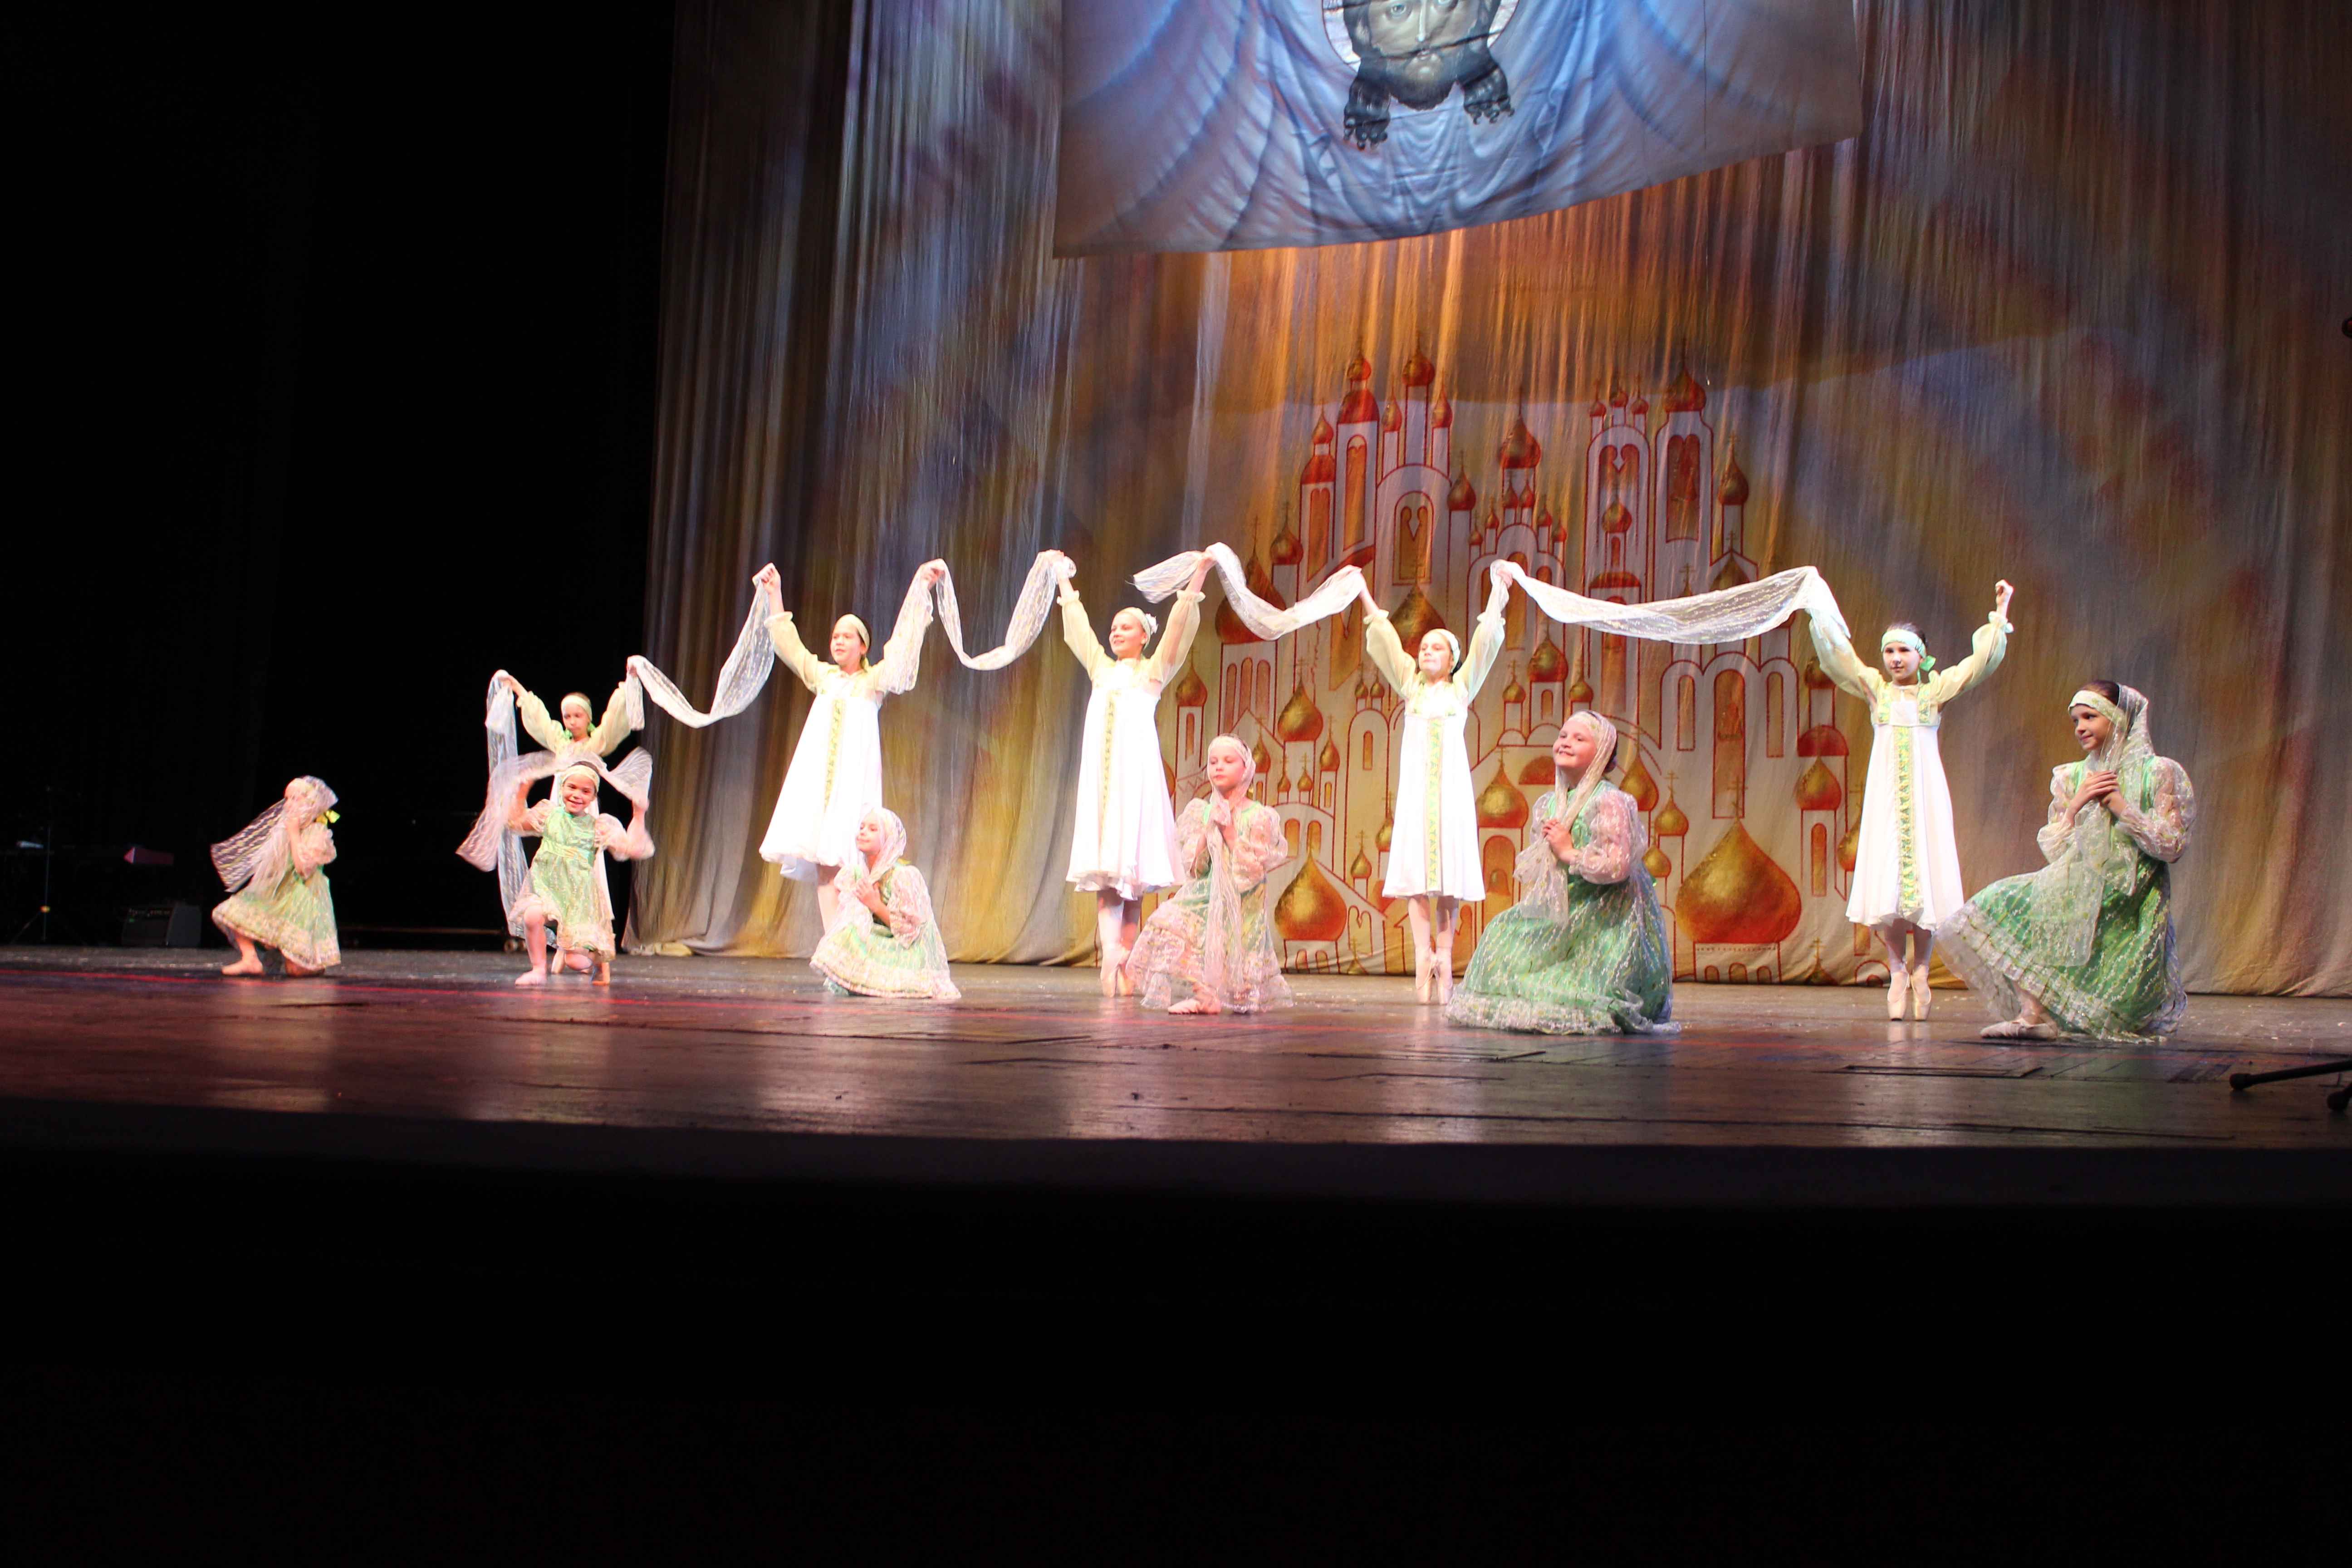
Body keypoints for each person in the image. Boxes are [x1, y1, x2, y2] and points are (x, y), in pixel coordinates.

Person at [1940, 683, 2193, 1041]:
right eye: (2076, 720)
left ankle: (2043, 1015)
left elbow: (2172, 845)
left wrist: (2122, 807)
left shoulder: (2159, 772)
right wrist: (2077, 805)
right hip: (2078, 880)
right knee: (2001, 900)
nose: (2080, 728)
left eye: (2090, 717)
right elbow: (2056, 849)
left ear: (2118, 719)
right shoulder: (2072, 776)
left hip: (2133, 893)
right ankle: (2033, 1014)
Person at [1810, 580, 2015, 1019]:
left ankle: (1922, 968)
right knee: (1888, 883)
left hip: (1924, 795)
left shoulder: (1933, 693)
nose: (1896, 659)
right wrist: (1819, 609)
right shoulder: (1875, 690)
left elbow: (1976, 666)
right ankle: (1897, 969)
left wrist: (1999, 613)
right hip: (1887, 796)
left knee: (1926, 879)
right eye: (1889, 651)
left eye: (1904, 651)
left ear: (1922, 657)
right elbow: (1841, 656)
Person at [1446, 713, 1673, 1035]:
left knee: (1588, 982)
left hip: (1608, 911)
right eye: (1563, 735)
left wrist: (1569, 852)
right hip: (1570, 900)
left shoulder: (1610, 801)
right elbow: (1542, 867)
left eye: (1580, 739)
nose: (1566, 742)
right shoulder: (1549, 804)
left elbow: (1618, 866)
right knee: (1501, 932)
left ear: (1602, 753)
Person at [1050, 549, 1212, 996]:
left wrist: (1198, 577)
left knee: (1134, 875)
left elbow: (1178, 628)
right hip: (1104, 784)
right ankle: (1112, 958)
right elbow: (1079, 630)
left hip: (1135, 779)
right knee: (1108, 871)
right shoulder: (1102, 670)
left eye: (1126, 627)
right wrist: (1063, 580)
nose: (1116, 632)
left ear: (1143, 637)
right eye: (1114, 627)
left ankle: (1129, 961)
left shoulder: (1153, 673)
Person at [754, 559, 946, 931]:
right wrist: (774, 593)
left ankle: (854, 939)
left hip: (853, 786)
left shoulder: (873, 683)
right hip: (822, 788)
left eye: (847, 636)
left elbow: (903, 648)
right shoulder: (824, 677)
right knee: (826, 864)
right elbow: (789, 645)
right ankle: (833, 942)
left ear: (863, 646)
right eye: (835, 636)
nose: (838, 641)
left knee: (852, 863)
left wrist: (921, 587)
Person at [1357, 568, 1513, 1003]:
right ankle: (1422, 959)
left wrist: (1499, 592)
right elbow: (1387, 642)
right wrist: (1365, 594)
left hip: (1450, 796)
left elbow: (1486, 643)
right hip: (1416, 797)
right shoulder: (1412, 688)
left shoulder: (1461, 689)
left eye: (1437, 647)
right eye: (1424, 646)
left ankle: (1445, 960)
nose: (1427, 650)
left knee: (1447, 881)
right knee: (1416, 878)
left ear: (1452, 658)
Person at [1126, 735, 1292, 1015]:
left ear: (1246, 769)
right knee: (1169, 923)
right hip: (1205, 892)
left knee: (1238, 962)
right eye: (1214, 762)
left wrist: (1229, 833)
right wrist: (1208, 831)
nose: (1219, 767)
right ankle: (1205, 996)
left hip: (1243, 900)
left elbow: (1253, 869)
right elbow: (1195, 868)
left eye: (1228, 761)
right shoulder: (1201, 812)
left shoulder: (1258, 816)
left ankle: (1231, 997)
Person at [509, 764, 655, 986]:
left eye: (585, 791)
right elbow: (516, 822)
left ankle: (599, 961)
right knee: (532, 916)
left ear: (593, 797)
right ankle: (538, 970)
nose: (577, 795)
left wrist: (639, 814)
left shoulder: (598, 827)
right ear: (562, 787)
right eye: (572, 787)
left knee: (576, 962)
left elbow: (633, 849)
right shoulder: (549, 815)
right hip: (548, 890)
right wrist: (524, 788)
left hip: (578, 902)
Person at [808, 808, 960, 1000]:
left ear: (888, 840)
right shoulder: (856, 875)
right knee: (846, 932)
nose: (863, 832)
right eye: (862, 828)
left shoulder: (903, 876)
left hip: (907, 947)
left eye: (873, 829)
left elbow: (910, 931)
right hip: (881, 937)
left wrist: (875, 905)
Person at [213, 776, 341, 977]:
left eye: (295, 799)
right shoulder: (285, 830)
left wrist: (294, 835)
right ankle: (251, 959)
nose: (288, 805)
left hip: (304, 897)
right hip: (282, 889)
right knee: (232, 911)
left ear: (310, 804)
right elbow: (274, 865)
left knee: (295, 971)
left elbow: (303, 870)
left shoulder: (317, 833)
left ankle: (311, 961)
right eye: (287, 799)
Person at [499, 673, 634, 761]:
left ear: (589, 718)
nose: (572, 722)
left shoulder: (595, 744)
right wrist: (517, 687)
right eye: (567, 717)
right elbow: (540, 720)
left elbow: (613, 719)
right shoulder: (561, 744)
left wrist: (629, 682)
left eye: (578, 716)